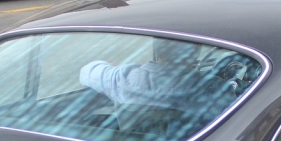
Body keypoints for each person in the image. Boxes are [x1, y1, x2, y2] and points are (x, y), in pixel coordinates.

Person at [79, 40, 234, 112]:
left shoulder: (122, 77)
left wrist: (114, 67)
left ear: (156, 47)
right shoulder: (216, 90)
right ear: (196, 51)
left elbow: (85, 72)